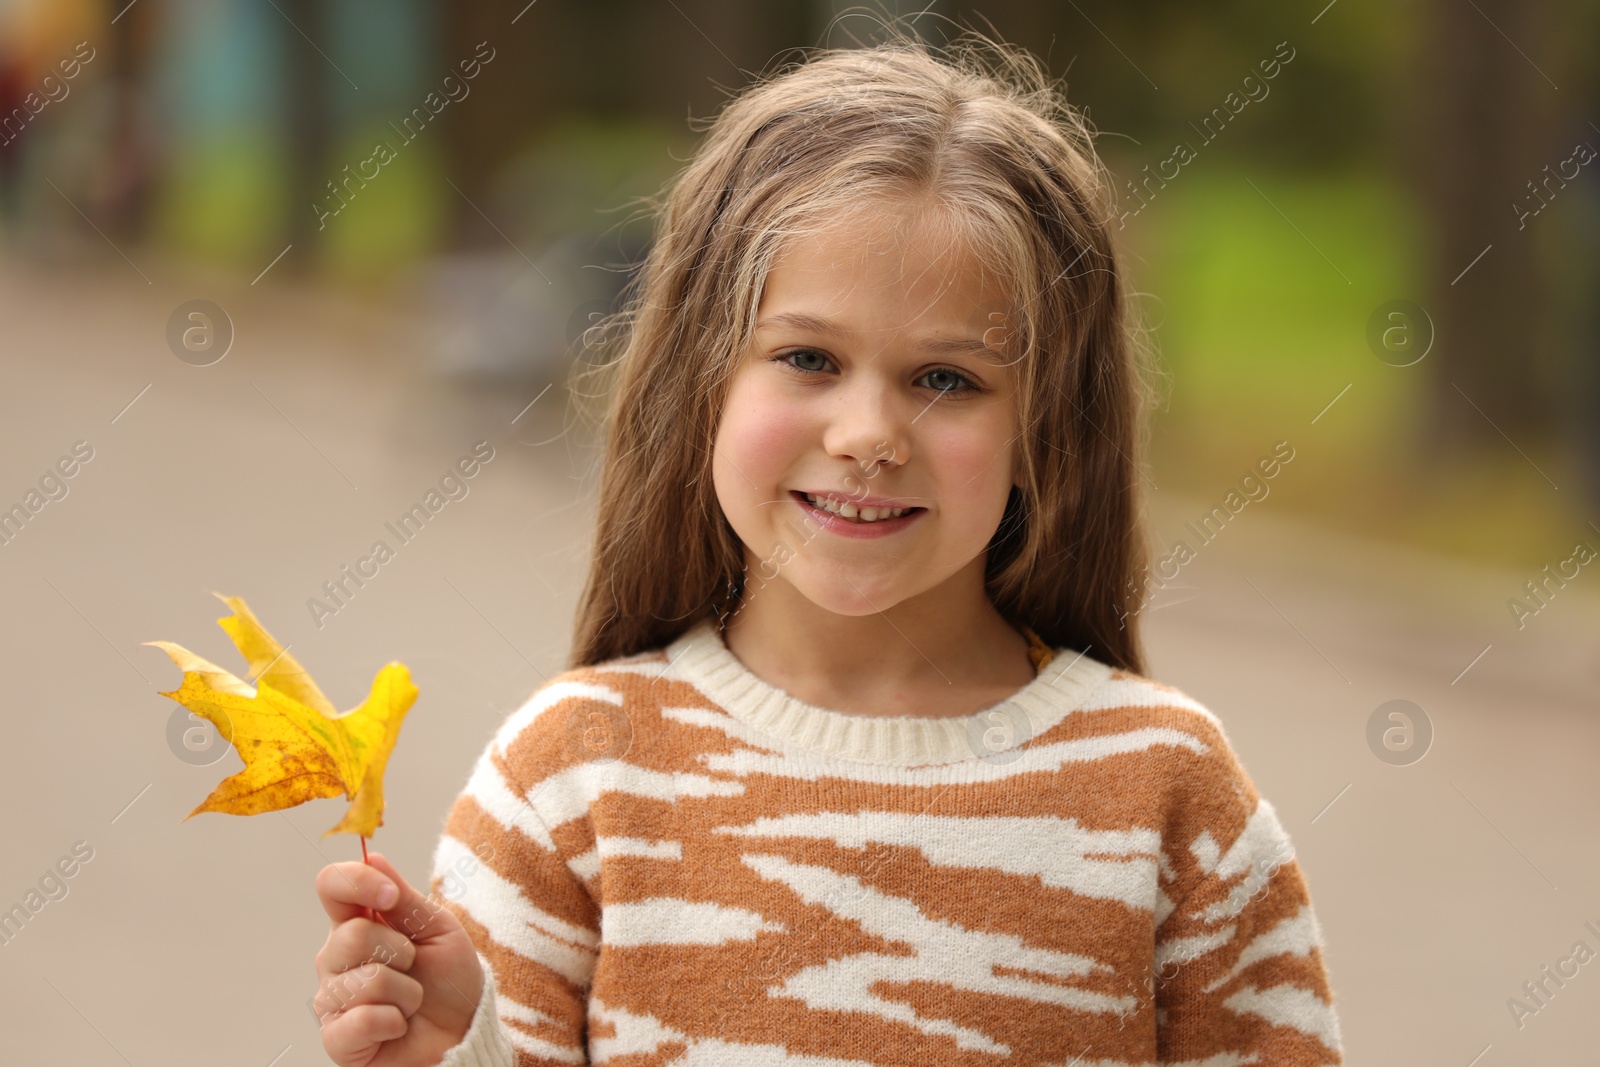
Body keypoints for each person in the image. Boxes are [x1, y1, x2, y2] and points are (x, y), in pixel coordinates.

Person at [311, 24, 1344, 1067]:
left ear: (1048, 427)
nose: (867, 436)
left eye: (947, 378)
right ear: (699, 382)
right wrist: (449, 1050)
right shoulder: (570, 778)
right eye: (808, 356)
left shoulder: (1169, 793)